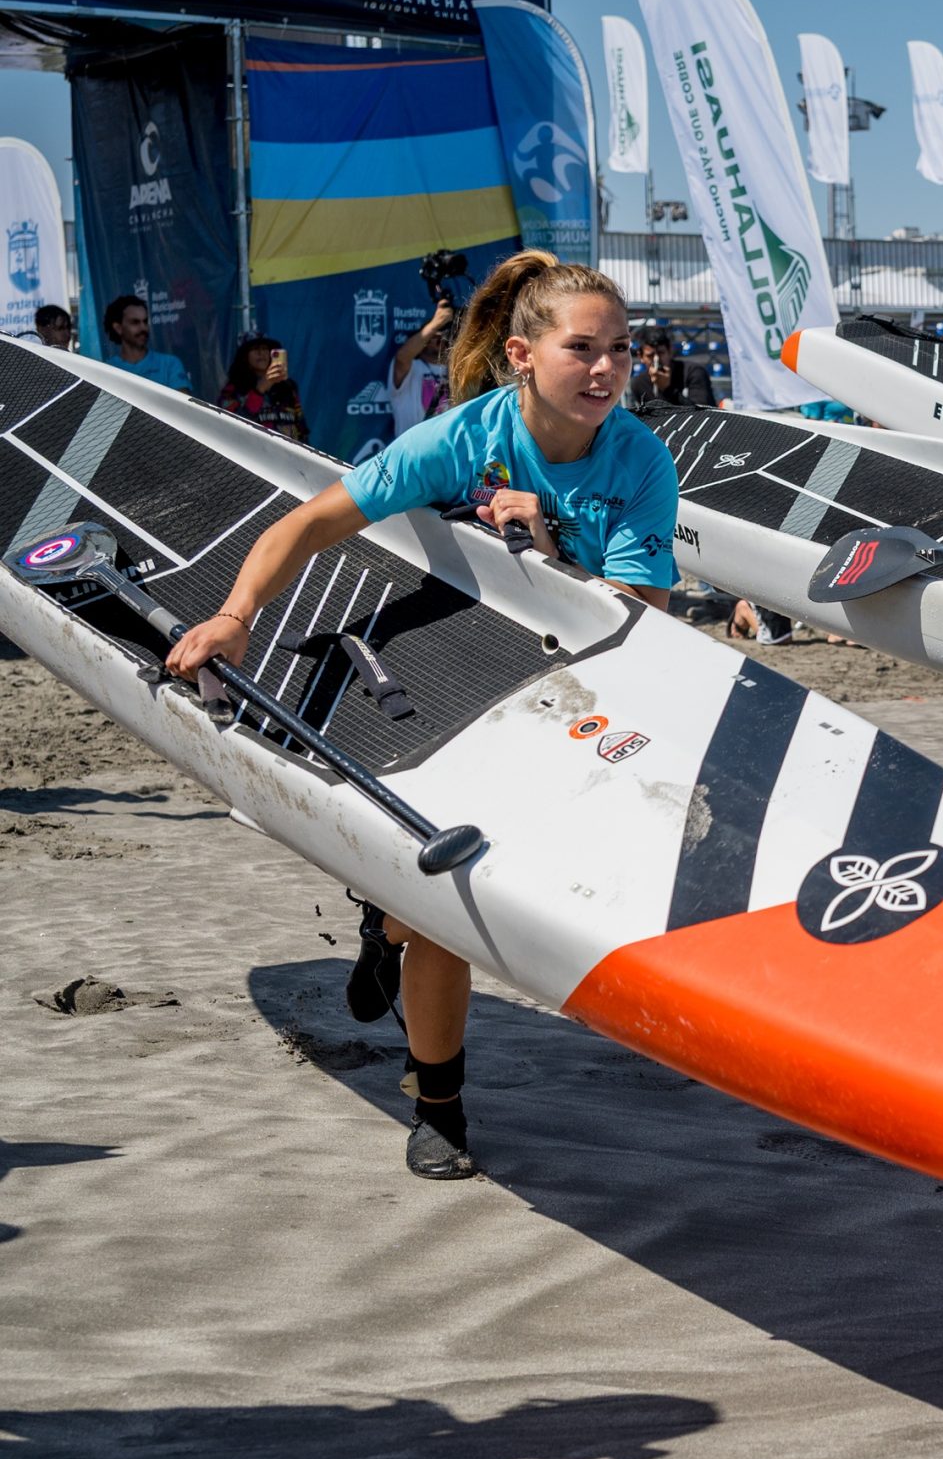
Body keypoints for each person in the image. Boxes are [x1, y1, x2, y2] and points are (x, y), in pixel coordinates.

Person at [166, 251, 676, 1182]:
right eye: (582, 348)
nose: (607, 369)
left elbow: (650, 623)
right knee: (448, 901)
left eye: (621, 348)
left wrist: (554, 546)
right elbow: (310, 524)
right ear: (522, 354)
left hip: (581, 693)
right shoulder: (462, 437)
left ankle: (382, 924)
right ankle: (437, 1103)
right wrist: (237, 617)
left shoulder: (639, 456)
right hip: (457, 677)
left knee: (450, 897)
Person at [214, 335, 307, 443]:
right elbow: (232, 426)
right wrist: (259, 390)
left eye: (264, 348)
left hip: (290, 456)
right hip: (253, 455)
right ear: (244, 356)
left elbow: (301, 428)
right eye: (255, 349)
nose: (261, 353)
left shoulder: (288, 387)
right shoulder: (232, 390)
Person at [99, 293, 191, 392]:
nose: (143, 328)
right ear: (118, 328)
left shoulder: (170, 364)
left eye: (145, 321)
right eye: (135, 322)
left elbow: (182, 405)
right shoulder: (108, 370)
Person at [388, 301, 454, 438]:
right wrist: (436, 323)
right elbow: (402, 357)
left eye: (444, 336)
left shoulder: (456, 371)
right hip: (411, 451)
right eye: (435, 337)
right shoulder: (413, 368)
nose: (440, 340)